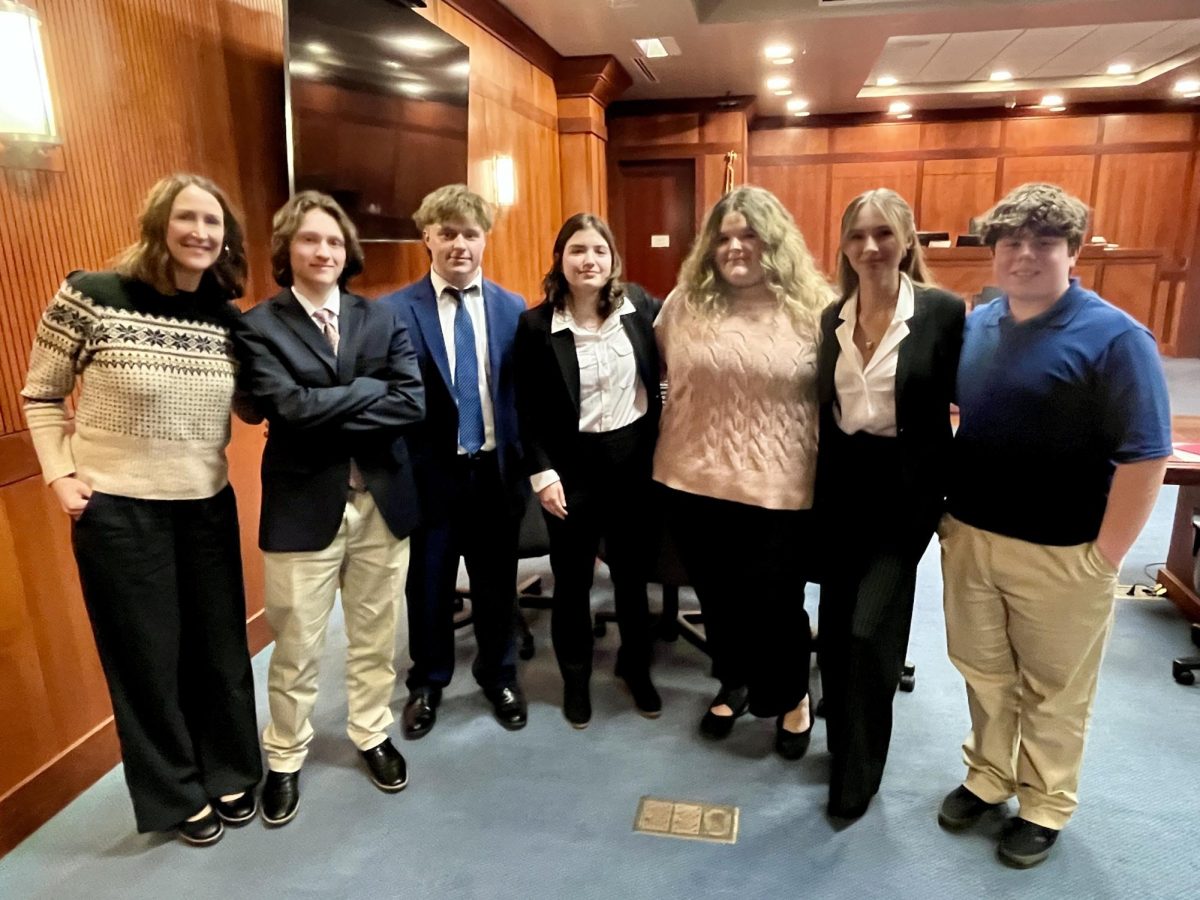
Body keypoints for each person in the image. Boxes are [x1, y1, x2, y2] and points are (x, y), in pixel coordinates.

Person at [20, 173, 261, 846]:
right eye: (188, 218)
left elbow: (252, 401)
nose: (201, 233)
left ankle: (233, 769)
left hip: (205, 506)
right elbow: (41, 394)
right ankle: (177, 792)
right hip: (119, 512)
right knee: (146, 659)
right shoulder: (92, 296)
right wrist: (59, 475)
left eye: (214, 224)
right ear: (159, 223)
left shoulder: (224, 316)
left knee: (220, 651)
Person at [936, 183, 1172, 867]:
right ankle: (988, 776)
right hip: (972, 537)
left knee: (1055, 687)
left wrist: (1107, 558)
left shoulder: (1116, 338)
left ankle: (1045, 802)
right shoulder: (979, 323)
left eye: (1044, 242)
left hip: (1065, 551)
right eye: (1011, 242)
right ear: (994, 252)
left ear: (1073, 251)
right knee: (982, 670)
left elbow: (1147, 453)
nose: (1025, 255)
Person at [233, 191, 424, 827]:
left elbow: (411, 404)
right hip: (301, 507)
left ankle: (372, 732)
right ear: (288, 249)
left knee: (375, 635)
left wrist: (327, 401)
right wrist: (366, 390)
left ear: (349, 253)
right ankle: (285, 756)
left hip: (381, 500)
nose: (324, 251)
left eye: (335, 242)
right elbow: (284, 409)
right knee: (296, 643)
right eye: (311, 240)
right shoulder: (259, 325)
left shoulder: (382, 317)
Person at [652, 185, 829, 753]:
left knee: (776, 603)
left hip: (780, 484)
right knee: (719, 598)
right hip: (691, 478)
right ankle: (734, 681)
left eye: (748, 234)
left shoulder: (817, 310)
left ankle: (791, 697)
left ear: (773, 240)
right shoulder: (683, 304)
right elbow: (659, 371)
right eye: (724, 237)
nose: (734, 247)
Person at [814, 188, 964, 821]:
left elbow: (972, 404)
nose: (869, 247)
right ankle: (844, 743)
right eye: (857, 236)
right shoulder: (832, 318)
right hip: (840, 488)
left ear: (907, 240)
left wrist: (955, 494)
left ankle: (857, 776)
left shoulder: (942, 313)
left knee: (866, 632)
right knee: (835, 634)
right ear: (844, 246)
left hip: (904, 496)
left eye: (883, 234)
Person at [378, 184, 529, 737]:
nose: (459, 244)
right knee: (429, 583)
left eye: (470, 233)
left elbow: (522, 396)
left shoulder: (514, 309)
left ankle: (500, 674)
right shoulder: (393, 311)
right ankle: (429, 680)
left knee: (496, 582)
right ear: (427, 239)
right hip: (430, 475)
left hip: (495, 473)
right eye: (447, 233)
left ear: (484, 239)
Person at [514, 214, 662, 728]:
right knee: (573, 581)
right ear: (561, 259)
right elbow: (525, 409)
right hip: (570, 467)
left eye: (599, 250)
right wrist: (542, 473)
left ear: (613, 259)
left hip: (633, 462)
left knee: (631, 577)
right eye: (577, 250)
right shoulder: (536, 326)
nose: (589, 260)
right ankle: (575, 678)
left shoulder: (640, 307)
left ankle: (635, 668)